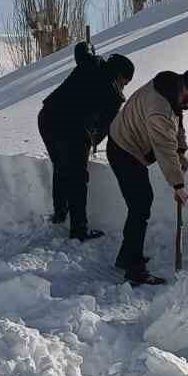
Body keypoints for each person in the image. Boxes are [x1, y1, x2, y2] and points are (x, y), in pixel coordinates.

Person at [107, 67, 188, 286]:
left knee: (140, 204)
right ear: (182, 87)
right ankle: (134, 269)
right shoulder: (159, 109)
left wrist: (182, 150)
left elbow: (177, 125)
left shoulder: (171, 90)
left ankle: (126, 258)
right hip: (123, 148)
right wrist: (178, 185)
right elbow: (164, 149)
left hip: (130, 144)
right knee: (141, 204)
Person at [37, 41, 135, 240]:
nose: (124, 85)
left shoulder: (92, 64)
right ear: (119, 75)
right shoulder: (113, 95)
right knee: (77, 177)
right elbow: (105, 128)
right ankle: (79, 230)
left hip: (47, 117)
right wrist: (92, 142)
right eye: (125, 81)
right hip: (70, 127)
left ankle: (60, 213)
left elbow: (81, 50)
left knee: (61, 167)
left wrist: (89, 46)